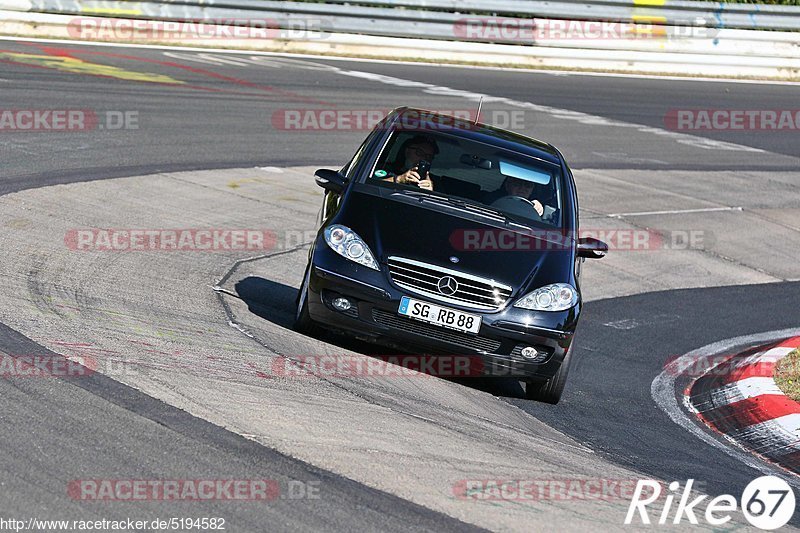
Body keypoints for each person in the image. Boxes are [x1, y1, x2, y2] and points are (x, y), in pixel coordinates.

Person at [482, 177, 546, 217]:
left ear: (532, 190)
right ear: (507, 186)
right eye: (517, 184)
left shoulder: (535, 206)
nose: (522, 188)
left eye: (528, 185)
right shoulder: (493, 199)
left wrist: (537, 208)